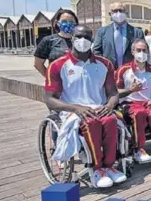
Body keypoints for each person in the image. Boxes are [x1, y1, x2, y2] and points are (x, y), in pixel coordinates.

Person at [44, 25, 126, 188]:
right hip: (72, 111)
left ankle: (109, 166)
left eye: (87, 37)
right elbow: (49, 100)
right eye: (79, 37)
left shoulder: (105, 64)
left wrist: (110, 104)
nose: (83, 40)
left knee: (110, 121)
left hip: (99, 108)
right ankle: (96, 169)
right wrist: (76, 108)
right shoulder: (58, 65)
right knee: (91, 123)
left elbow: (113, 92)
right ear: (72, 39)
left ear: (92, 40)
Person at [115, 39, 151, 166]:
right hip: (130, 103)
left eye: (144, 50)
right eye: (138, 50)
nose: (141, 53)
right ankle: (139, 149)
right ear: (132, 52)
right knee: (139, 113)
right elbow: (115, 92)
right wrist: (131, 90)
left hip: (149, 102)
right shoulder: (123, 70)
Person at [92, 2, 145, 68]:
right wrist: (103, 67)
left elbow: (143, 52)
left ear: (126, 13)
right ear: (110, 14)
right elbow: (96, 51)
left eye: (121, 10)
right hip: (109, 72)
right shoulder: (102, 32)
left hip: (130, 72)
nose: (118, 13)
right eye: (115, 11)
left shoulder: (137, 32)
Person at [34, 9, 78, 77]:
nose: (68, 23)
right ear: (57, 23)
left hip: (78, 83)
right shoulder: (48, 40)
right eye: (64, 21)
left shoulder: (81, 40)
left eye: (71, 21)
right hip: (58, 85)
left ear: (76, 24)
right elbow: (38, 64)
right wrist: (51, 79)